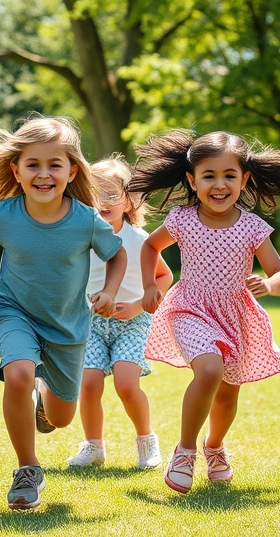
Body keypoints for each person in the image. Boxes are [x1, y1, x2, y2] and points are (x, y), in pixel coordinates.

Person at [0, 115, 126, 509]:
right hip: (15, 311)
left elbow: (117, 255)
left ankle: (44, 393)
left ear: (71, 171)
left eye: (55, 164)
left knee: (62, 419)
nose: (44, 173)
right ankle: (27, 469)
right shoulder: (4, 214)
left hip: (68, 326)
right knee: (17, 373)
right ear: (16, 171)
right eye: (33, 164)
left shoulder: (86, 219)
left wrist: (109, 291)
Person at [129, 130, 280, 494]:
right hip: (191, 308)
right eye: (209, 176)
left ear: (244, 179)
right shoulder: (182, 219)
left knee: (228, 393)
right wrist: (150, 285)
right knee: (209, 369)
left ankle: (214, 447)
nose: (219, 184)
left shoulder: (253, 227)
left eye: (229, 175)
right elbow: (150, 246)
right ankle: (185, 451)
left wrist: (269, 285)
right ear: (192, 181)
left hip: (235, 315)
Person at [66, 155, 174, 470]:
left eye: (112, 194)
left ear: (128, 200)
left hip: (133, 323)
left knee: (127, 384)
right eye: (95, 194)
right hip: (91, 323)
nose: (104, 201)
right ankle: (93, 446)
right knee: (87, 384)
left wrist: (141, 304)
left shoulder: (140, 240)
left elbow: (164, 277)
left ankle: (147, 441)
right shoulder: (80, 238)